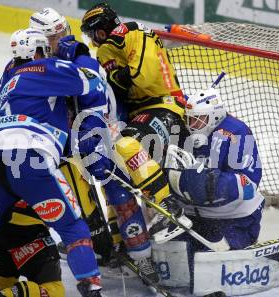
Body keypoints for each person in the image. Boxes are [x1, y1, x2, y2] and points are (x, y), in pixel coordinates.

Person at [0, 29, 108, 297]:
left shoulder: (8, 78)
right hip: (31, 161)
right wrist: (79, 57)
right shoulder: (48, 67)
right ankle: (92, 289)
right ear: (37, 51)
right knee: (72, 227)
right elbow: (94, 82)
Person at [29, 7, 159, 283]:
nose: (60, 39)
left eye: (62, 31)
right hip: (76, 138)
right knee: (80, 195)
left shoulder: (78, 58)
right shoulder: (43, 62)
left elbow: (96, 105)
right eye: (53, 36)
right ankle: (105, 244)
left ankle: (143, 257)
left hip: (106, 130)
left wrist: (89, 139)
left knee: (117, 190)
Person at [80, 2, 192, 240]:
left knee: (127, 145)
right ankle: (122, 235)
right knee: (112, 168)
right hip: (145, 114)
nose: (93, 42)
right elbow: (123, 84)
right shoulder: (116, 44)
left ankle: (168, 206)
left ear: (101, 30)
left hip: (164, 107)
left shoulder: (129, 33)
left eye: (93, 35)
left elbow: (143, 77)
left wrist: (117, 78)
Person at [164, 84, 265, 252]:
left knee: (238, 256)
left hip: (235, 214)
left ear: (215, 117)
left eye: (198, 119)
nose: (192, 125)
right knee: (174, 251)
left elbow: (248, 186)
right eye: (189, 119)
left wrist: (208, 184)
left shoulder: (236, 132)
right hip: (195, 215)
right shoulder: (183, 131)